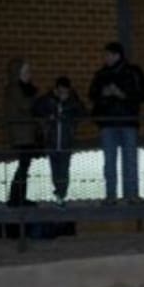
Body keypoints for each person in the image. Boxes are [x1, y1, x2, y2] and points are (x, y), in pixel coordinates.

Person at [89, 42, 144, 204]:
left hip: (124, 121)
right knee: (112, 161)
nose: (105, 58)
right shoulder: (102, 74)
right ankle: (115, 195)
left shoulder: (132, 72)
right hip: (112, 122)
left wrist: (122, 94)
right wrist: (104, 93)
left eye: (107, 54)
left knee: (128, 160)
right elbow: (92, 94)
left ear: (117, 55)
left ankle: (129, 195)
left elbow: (142, 94)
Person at [34, 76, 86, 206]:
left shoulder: (72, 100)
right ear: (56, 89)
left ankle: (61, 194)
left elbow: (83, 112)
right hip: (51, 141)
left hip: (66, 141)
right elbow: (36, 109)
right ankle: (59, 193)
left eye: (65, 91)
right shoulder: (48, 99)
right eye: (61, 91)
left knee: (64, 169)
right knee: (55, 170)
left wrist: (70, 101)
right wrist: (49, 112)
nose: (63, 93)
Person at [3, 58, 40, 207]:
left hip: (26, 133)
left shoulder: (22, 88)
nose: (29, 74)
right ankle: (16, 198)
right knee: (23, 167)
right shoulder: (15, 89)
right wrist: (35, 97)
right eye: (25, 71)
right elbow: (25, 106)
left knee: (24, 167)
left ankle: (19, 197)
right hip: (21, 134)